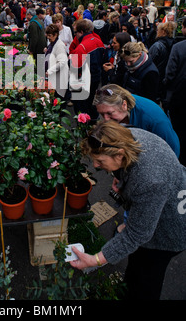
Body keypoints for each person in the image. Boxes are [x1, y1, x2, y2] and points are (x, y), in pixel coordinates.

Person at [70, 120, 186, 300]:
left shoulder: (150, 179)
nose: (96, 166)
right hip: (161, 204)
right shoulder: (127, 136)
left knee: (147, 278)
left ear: (119, 155)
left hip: (170, 232)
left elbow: (137, 234)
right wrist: (121, 178)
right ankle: (128, 290)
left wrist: (96, 260)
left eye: (100, 161)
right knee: (136, 263)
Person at [93, 84, 180, 158]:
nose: (106, 119)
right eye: (101, 114)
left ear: (124, 105)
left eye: (110, 113)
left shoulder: (153, 120)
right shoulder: (120, 103)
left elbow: (172, 150)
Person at [69, 19, 105, 119]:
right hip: (96, 78)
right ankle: (93, 122)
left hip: (83, 81)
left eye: (76, 32)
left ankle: (83, 127)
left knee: (81, 107)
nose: (75, 35)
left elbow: (75, 68)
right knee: (91, 103)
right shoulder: (98, 41)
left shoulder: (82, 47)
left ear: (81, 32)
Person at [163, 17, 186, 166]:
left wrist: (165, 88)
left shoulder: (179, 47)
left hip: (179, 96)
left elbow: (170, 73)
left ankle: (178, 159)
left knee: (177, 129)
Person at [148, 21, 176, 106]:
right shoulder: (175, 44)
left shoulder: (157, 46)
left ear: (162, 32)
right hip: (168, 77)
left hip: (156, 77)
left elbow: (149, 61)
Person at [44, 24, 69, 99]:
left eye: (50, 35)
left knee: (58, 100)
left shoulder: (59, 45)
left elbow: (62, 62)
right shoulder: (52, 43)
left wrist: (50, 71)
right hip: (54, 76)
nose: (48, 37)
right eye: (47, 35)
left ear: (56, 35)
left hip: (59, 77)